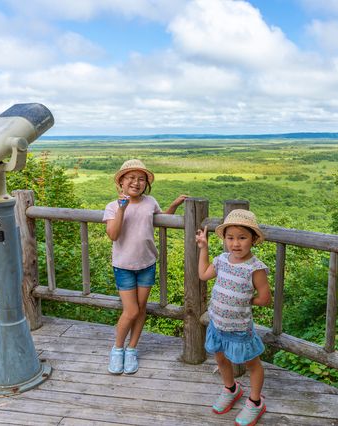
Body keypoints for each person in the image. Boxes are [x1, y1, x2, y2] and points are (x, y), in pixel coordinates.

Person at [103, 159, 187, 375]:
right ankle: (117, 349)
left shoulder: (150, 202)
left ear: (146, 184)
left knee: (140, 309)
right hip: (123, 266)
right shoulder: (112, 206)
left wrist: (175, 205)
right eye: (131, 178)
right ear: (120, 182)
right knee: (130, 310)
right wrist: (122, 209)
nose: (136, 182)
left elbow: (161, 219)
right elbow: (113, 234)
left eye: (141, 179)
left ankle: (132, 349)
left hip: (147, 264)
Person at [195, 209, 271, 426]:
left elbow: (265, 298)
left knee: (252, 364)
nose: (235, 243)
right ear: (225, 239)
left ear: (253, 239)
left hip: (239, 329)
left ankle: (255, 401)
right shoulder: (221, 260)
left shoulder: (255, 268)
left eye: (242, 237)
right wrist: (204, 248)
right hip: (217, 324)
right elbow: (203, 275)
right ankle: (231, 388)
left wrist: (245, 301)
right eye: (230, 238)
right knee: (220, 358)